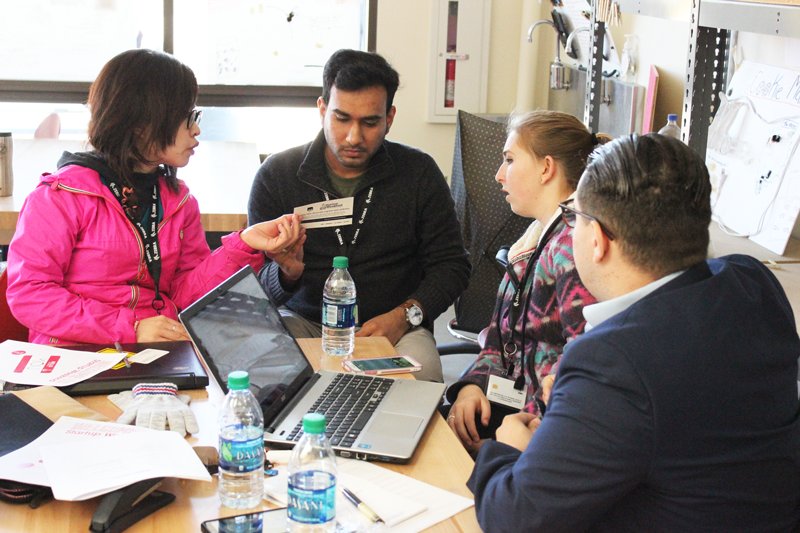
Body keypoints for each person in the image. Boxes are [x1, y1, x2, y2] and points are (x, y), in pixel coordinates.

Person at [468, 133, 800, 532]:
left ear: (598, 240)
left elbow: (511, 518)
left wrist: (506, 448)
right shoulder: (751, 281)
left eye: (572, 216)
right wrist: (583, 407)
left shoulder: (611, 363)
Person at [7, 49, 303, 346]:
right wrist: (131, 329)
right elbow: (30, 294)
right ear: (141, 124)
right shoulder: (60, 197)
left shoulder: (179, 202)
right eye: (187, 117)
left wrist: (245, 243)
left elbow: (187, 297)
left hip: (157, 349)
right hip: (77, 353)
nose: (196, 129)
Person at [248, 49, 470, 382]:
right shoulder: (277, 175)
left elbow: (452, 265)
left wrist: (405, 316)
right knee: (268, 377)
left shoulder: (418, 173)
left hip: (394, 327)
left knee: (421, 385)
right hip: (304, 321)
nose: (354, 137)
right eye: (342, 119)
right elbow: (251, 283)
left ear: (389, 118)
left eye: (370, 122)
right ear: (322, 110)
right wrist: (286, 274)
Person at [444, 111, 606, 451]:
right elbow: (498, 343)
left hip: (536, 433)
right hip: (510, 410)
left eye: (509, 160)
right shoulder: (535, 240)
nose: (499, 174)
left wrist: (509, 440)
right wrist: (471, 387)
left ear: (546, 168)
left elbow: (579, 368)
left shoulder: (571, 246)